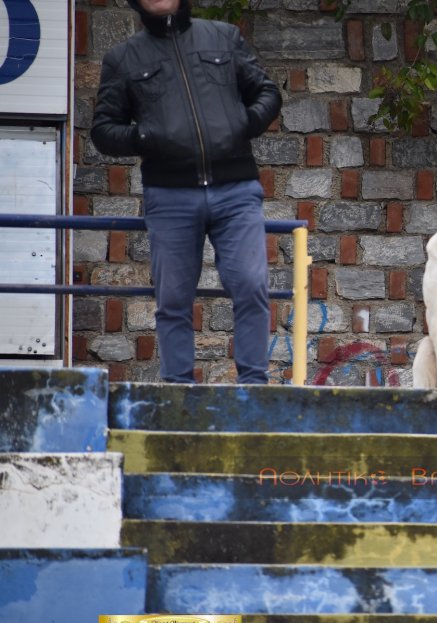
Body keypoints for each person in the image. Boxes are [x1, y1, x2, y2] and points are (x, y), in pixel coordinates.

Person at [91, 0, 282, 384]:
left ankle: (254, 388)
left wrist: (242, 123)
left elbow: (267, 92)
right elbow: (103, 129)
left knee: (250, 284)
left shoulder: (223, 37)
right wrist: (146, 136)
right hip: (169, 196)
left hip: (236, 190)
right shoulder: (123, 57)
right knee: (174, 300)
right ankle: (178, 391)